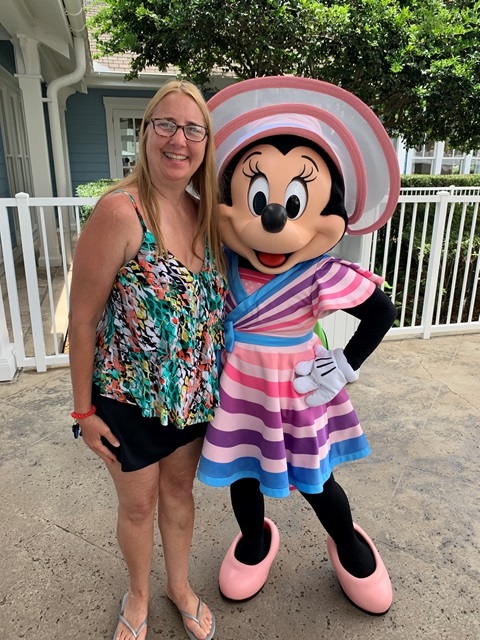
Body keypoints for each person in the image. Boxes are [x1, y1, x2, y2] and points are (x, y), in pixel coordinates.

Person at [197, 76, 400, 615]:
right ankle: (255, 538)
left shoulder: (319, 272)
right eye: (258, 198)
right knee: (243, 472)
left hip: (296, 389)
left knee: (316, 478)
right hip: (240, 388)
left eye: (293, 202)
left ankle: (347, 541)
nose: (273, 217)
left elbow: (380, 312)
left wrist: (345, 363)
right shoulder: (221, 262)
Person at [69, 79, 226, 640]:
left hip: (192, 400)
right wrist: (82, 413)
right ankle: (137, 595)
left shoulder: (207, 215)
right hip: (128, 401)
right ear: (145, 132)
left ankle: (178, 587)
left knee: (179, 495)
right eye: (166, 124)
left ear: (205, 143)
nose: (178, 140)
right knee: (137, 508)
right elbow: (81, 321)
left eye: (192, 129)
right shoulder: (120, 212)